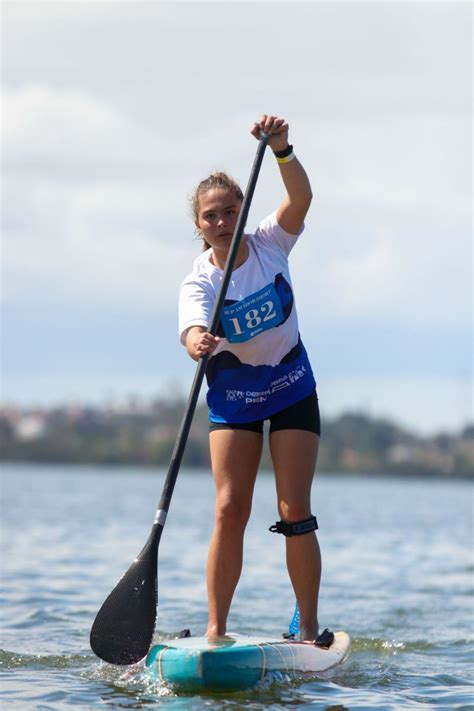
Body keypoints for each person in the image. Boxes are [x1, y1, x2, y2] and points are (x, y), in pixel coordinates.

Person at [178, 114, 332, 647]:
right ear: (198, 226)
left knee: (295, 510)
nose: (221, 222)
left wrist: (283, 151)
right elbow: (192, 326)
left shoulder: (270, 243)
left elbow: (302, 200)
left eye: (228, 211)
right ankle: (216, 631)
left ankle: (307, 628)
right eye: (209, 216)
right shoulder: (201, 279)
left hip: (290, 384)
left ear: (242, 211)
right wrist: (197, 339)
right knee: (229, 507)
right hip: (234, 395)